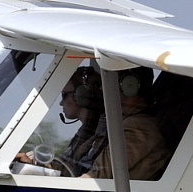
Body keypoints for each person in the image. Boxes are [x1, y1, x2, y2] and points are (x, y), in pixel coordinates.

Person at [15, 66, 169, 180]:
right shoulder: (114, 124)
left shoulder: (138, 127)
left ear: (130, 86)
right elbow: (74, 168)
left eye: (109, 81)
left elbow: (96, 178)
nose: (102, 88)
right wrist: (36, 166)